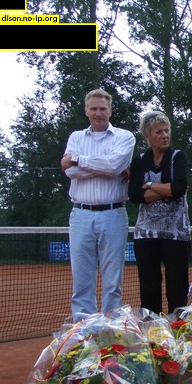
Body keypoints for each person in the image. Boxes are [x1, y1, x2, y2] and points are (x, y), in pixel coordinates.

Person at [61, 89, 136, 321]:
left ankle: (110, 330)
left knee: (113, 281)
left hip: (113, 214)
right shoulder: (76, 137)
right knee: (82, 280)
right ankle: (84, 330)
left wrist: (78, 160)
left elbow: (113, 166)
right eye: (93, 108)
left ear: (110, 110)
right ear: (86, 111)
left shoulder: (125, 137)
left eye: (103, 108)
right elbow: (70, 172)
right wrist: (107, 168)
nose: (98, 113)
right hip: (80, 214)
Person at [128, 110, 191, 315]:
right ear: (147, 136)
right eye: (158, 132)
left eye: (166, 130)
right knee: (149, 286)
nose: (165, 135)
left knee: (177, 286)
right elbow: (134, 195)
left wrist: (148, 185)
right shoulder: (139, 161)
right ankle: (151, 327)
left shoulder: (178, 157)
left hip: (176, 234)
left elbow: (178, 189)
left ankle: (177, 326)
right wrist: (166, 189)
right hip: (146, 234)